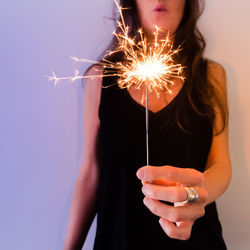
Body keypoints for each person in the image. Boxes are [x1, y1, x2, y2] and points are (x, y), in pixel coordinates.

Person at [63, 0, 232, 249]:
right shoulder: (101, 79)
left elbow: (221, 165)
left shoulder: (210, 76)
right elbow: (91, 172)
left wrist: (196, 193)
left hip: (196, 241)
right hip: (119, 240)